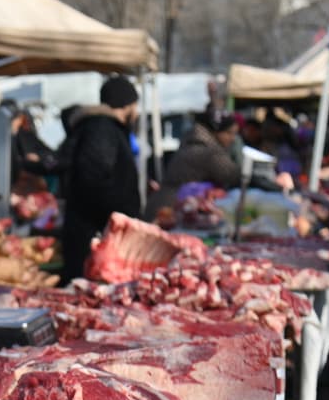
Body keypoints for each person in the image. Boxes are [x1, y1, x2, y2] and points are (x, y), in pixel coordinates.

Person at [59, 76, 142, 281]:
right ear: (127, 104)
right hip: (95, 234)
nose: (137, 112)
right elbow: (94, 178)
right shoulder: (102, 128)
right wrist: (119, 217)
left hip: (100, 231)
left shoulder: (107, 128)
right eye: (135, 105)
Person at [143, 111, 241, 221]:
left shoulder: (194, 141)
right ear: (216, 131)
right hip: (173, 208)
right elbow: (233, 175)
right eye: (229, 133)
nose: (232, 138)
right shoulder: (208, 151)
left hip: (166, 202)